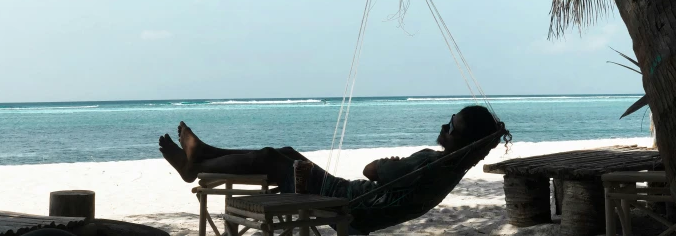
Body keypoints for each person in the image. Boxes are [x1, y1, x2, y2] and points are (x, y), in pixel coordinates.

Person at [159, 105, 504, 196]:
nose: (445, 127)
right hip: (347, 191)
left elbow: (372, 171)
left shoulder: (431, 162)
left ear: (464, 141)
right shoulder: (445, 163)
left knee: (270, 157)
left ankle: (196, 164)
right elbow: (388, 175)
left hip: (343, 197)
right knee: (287, 151)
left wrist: (384, 164)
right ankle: (205, 153)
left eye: (452, 128)